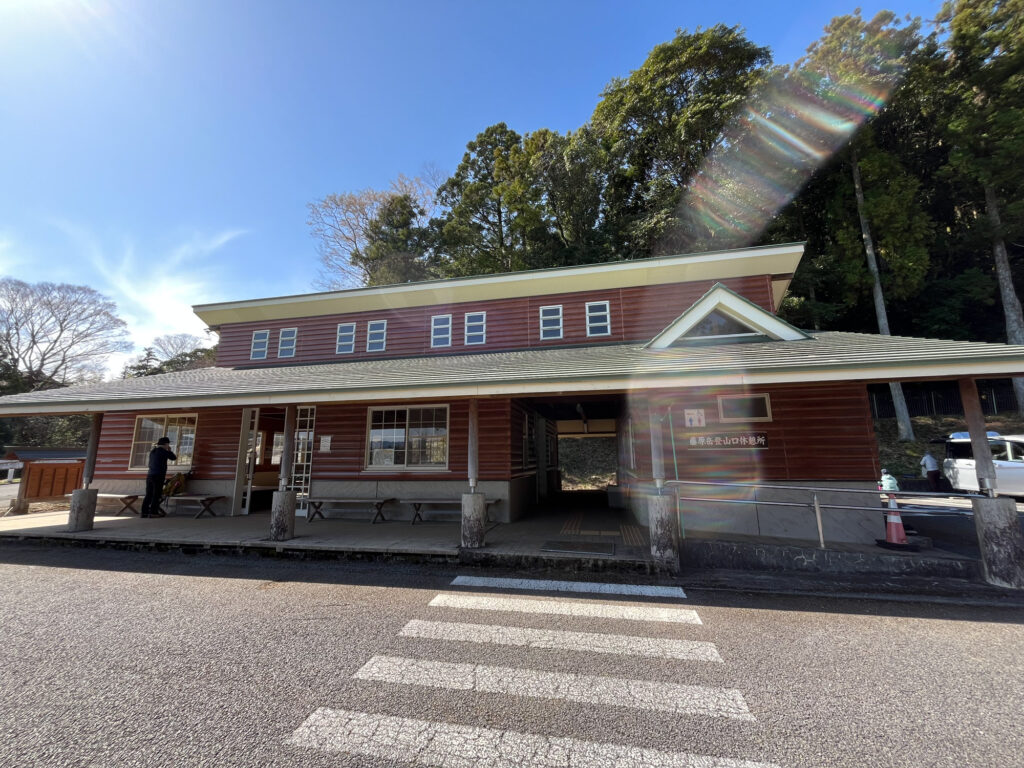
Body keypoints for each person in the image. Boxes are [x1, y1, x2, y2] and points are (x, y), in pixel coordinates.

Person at [140, 437, 176, 518]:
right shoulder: (163, 451)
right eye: (168, 444)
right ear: (166, 444)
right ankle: (153, 512)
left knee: (149, 494)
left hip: (150, 475)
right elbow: (173, 458)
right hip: (158, 475)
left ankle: (144, 512)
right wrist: (169, 451)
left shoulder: (153, 451)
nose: (168, 445)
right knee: (156, 495)